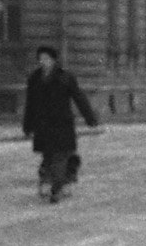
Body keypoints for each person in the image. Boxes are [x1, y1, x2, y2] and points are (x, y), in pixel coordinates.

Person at [23, 46, 100, 202]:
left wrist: (90, 118)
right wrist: (27, 125)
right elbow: (30, 104)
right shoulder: (35, 78)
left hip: (62, 124)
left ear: (53, 60)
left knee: (60, 157)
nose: (43, 62)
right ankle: (51, 183)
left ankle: (56, 189)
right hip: (43, 125)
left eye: (46, 59)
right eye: (41, 59)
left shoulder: (65, 77)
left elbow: (79, 97)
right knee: (49, 156)